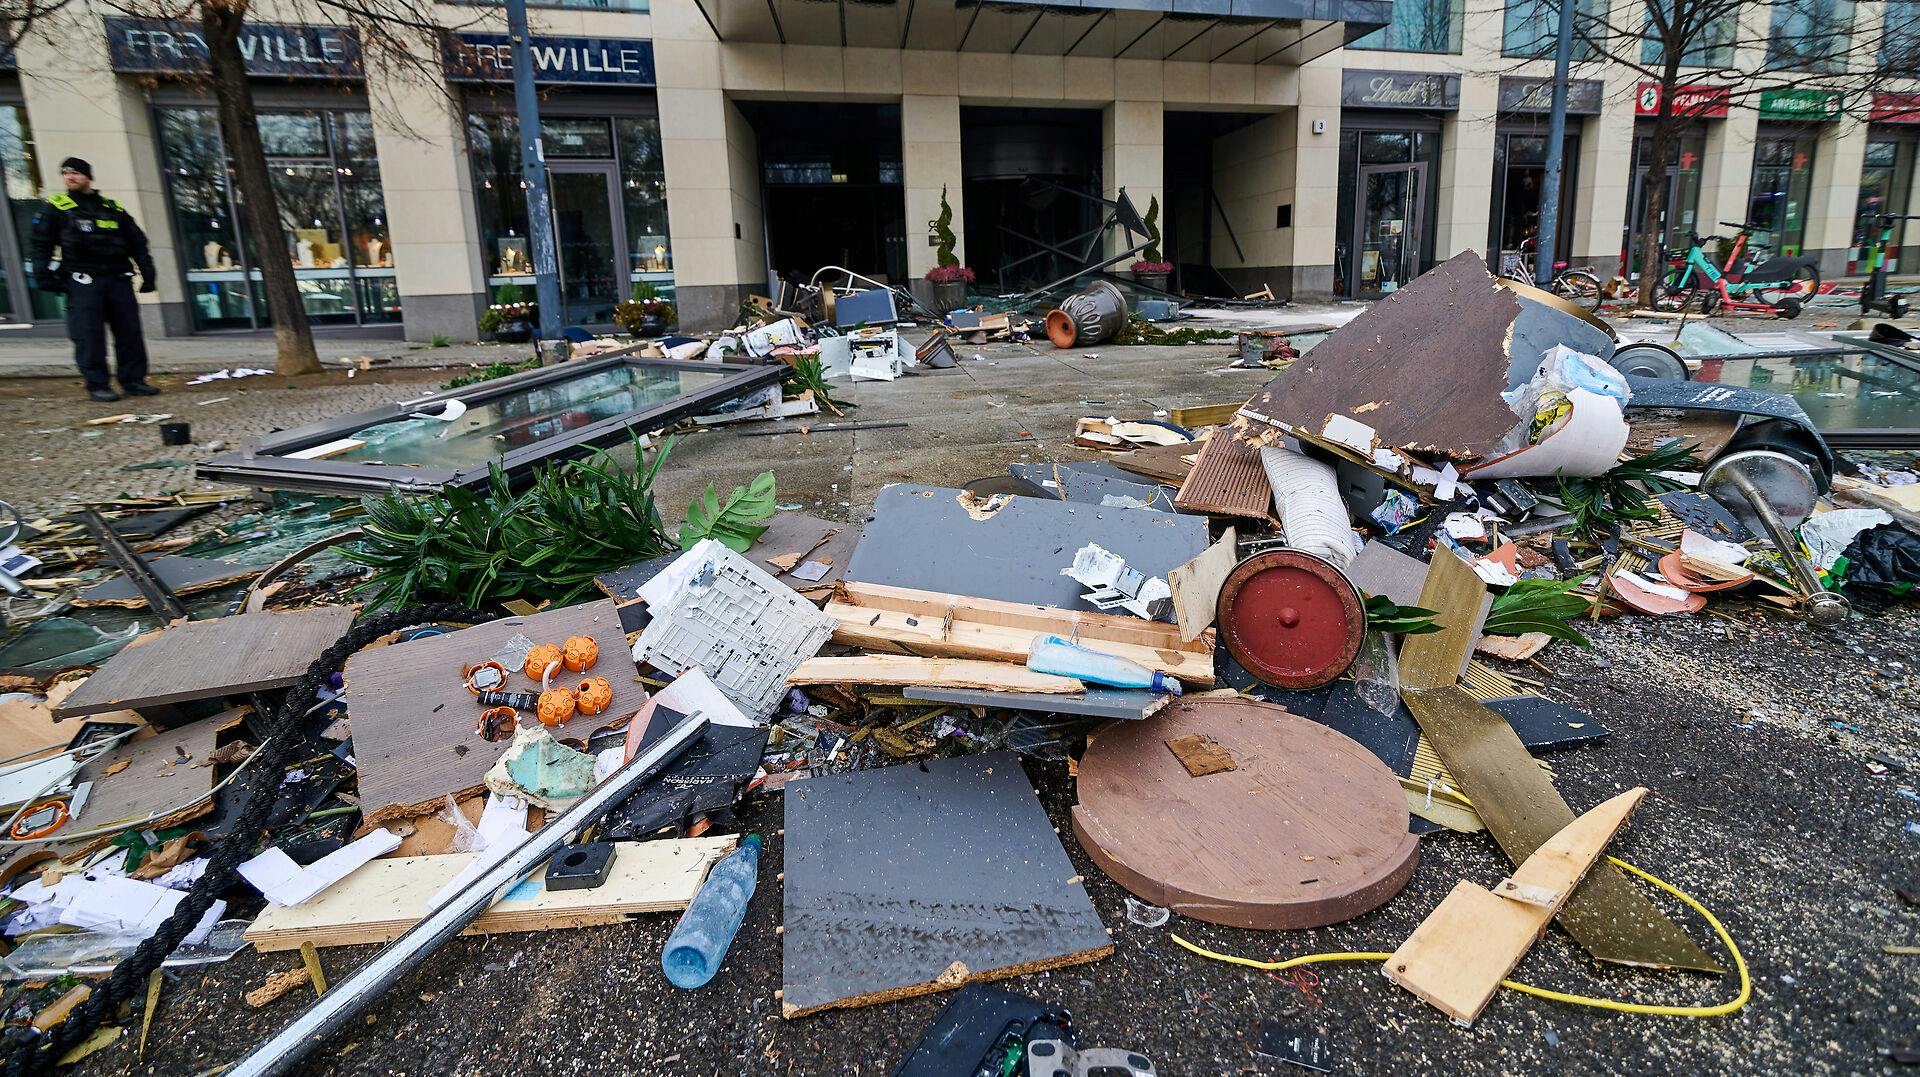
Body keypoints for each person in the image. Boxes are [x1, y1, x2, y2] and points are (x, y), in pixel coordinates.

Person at [30, 158, 160, 402]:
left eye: (76, 173)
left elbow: (137, 244)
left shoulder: (113, 209)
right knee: (89, 335)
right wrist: (43, 275)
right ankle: (98, 384)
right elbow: (41, 245)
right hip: (83, 281)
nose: (70, 177)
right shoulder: (57, 208)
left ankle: (133, 380)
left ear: (88, 176)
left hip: (118, 278)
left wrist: (148, 273)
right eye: (66, 173)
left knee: (129, 333)